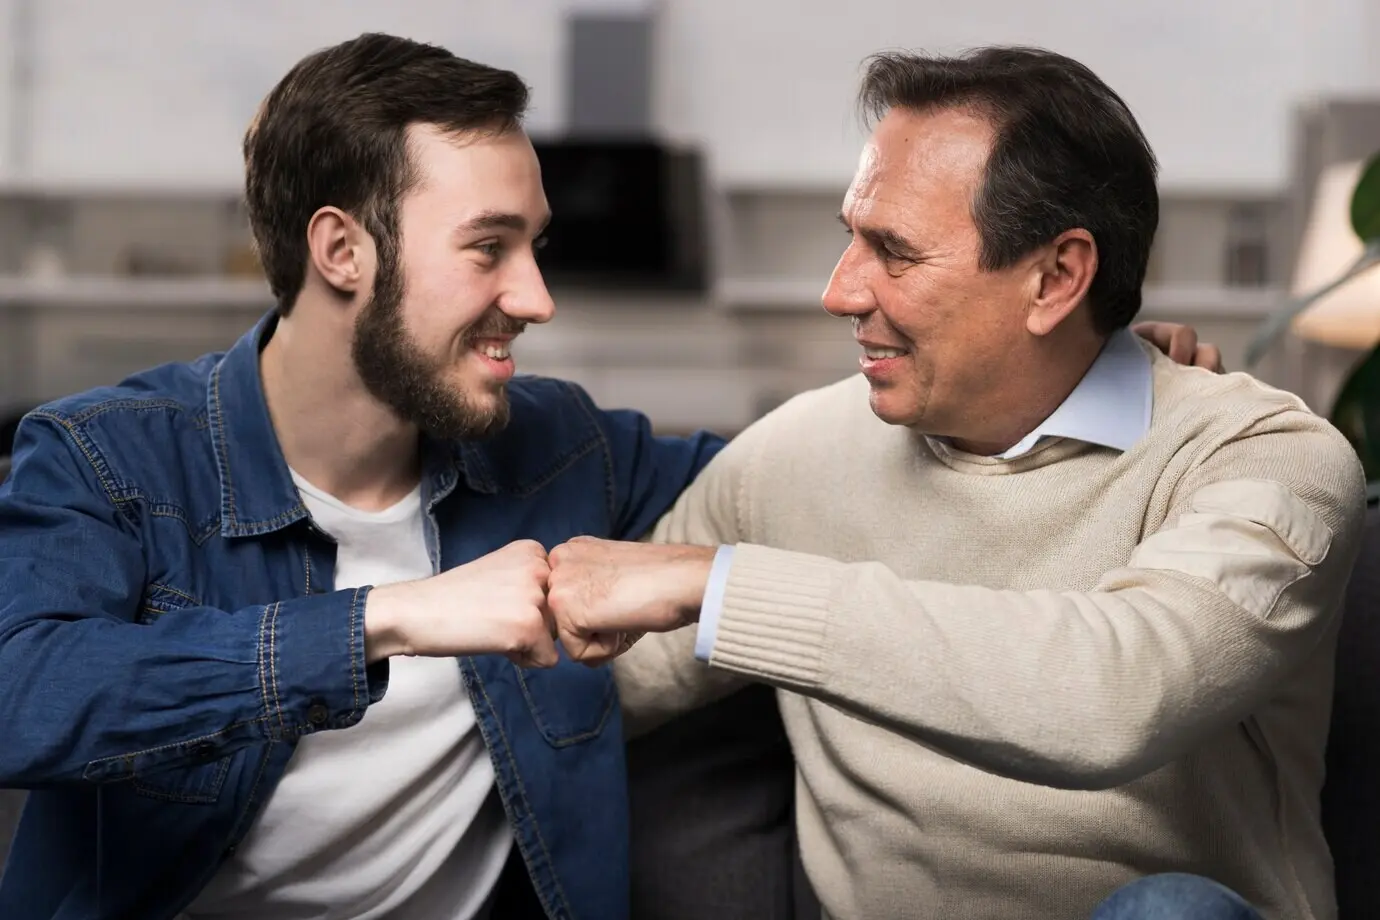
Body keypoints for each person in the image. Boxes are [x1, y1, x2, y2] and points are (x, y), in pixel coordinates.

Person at [0, 32, 1221, 920]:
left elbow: (866, 476)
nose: (534, 298)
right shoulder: (109, 457)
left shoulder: (566, 451)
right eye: (490, 249)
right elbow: (25, 693)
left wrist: (1090, 366)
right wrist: (382, 622)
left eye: (536, 246)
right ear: (341, 251)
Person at [544, 47, 1366, 920]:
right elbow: (568, 699)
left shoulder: (1263, 459)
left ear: (1055, 278)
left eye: (893, 252)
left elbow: (1113, 698)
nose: (839, 291)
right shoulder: (792, 456)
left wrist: (723, 586)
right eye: (848, 237)